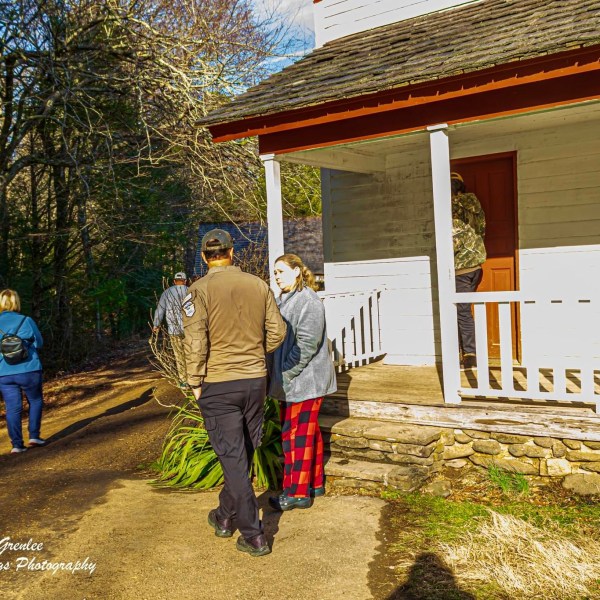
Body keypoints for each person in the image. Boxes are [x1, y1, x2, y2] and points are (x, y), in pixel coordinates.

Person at [182, 229, 286, 557]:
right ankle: (224, 517)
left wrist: (195, 381)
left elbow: (196, 342)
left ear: (204, 257)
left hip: (218, 382)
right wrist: (256, 352)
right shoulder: (258, 285)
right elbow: (278, 332)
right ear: (231, 253)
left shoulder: (197, 291)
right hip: (254, 380)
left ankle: (254, 534)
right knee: (241, 454)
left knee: (233, 457)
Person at [268, 254, 337, 512]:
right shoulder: (284, 299)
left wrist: (286, 373)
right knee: (309, 433)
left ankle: (297, 493)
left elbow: (307, 345)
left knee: (295, 435)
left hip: (305, 381)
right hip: (293, 382)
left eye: (282, 271)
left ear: (298, 272)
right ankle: (314, 483)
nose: (277, 276)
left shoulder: (308, 301)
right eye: (275, 272)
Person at [0, 289, 45, 454]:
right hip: (28, 369)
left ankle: (17, 445)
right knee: (35, 400)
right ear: (16, 302)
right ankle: (34, 436)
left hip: (4, 372)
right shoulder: (26, 320)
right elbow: (39, 343)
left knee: (12, 409)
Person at [451, 172, 486, 369]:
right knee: (462, 310)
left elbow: (454, 240)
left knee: (461, 311)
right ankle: (463, 351)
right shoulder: (475, 206)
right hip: (475, 266)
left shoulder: (453, 209)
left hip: (461, 268)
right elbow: (482, 230)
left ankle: (470, 355)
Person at [153, 272, 188, 385]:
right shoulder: (191, 290)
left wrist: (156, 324)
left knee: (179, 355)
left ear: (173, 281)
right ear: (185, 281)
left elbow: (160, 309)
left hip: (174, 330)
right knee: (192, 353)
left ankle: (184, 381)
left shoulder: (166, 293)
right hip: (190, 328)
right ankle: (195, 379)